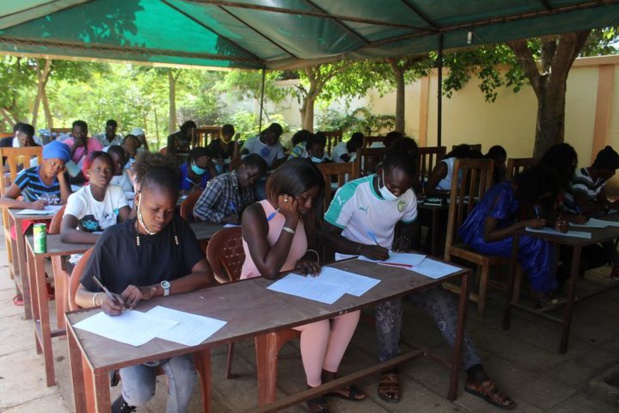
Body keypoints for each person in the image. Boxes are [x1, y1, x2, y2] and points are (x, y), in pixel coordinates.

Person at [322, 150, 515, 409]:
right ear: (380, 172)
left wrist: (406, 238)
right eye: (392, 186)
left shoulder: (408, 195)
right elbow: (326, 234)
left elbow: (411, 224)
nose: (398, 193)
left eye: (403, 188)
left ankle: (475, 372)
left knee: (441, 297)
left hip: (389, 262)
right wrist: (361, 249)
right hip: (353, 264)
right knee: (390, 301)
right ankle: (389, 366)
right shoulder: (352, 193)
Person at [75, 152, 215, 413]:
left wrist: (155, 289)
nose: (162, 218)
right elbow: (80, 294)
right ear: (138, 199)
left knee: (185, 375)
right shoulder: (114, 238)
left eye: (169, 211)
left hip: (172, 326)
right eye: (155, 209)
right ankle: (127, 402)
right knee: (140, 392)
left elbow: (204, 275)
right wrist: (102, 299)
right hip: (130, 332)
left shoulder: (178, 229)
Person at [241, 159, 366, 413]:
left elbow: (311, 246)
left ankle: (329, 377)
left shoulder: (304, 214)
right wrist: (289, 220)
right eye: (305, 198)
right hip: (260, 294)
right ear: (285, 191)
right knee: (317, 322)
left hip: (295, 287)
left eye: (313, 199)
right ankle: (314, 388)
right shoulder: (255, 214)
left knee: (351, 309)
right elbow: (269, 269)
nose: (309, 206)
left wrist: (310, 255)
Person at [459, 164, 563, 305]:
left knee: (543, 240)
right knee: (536, 243)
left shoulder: (517, 191)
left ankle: (542, 287)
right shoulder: (504, 194)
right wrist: (522, 224)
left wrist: (552, 223)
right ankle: (540, 290)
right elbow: (488, 236)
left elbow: (537, 215)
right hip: (479, 238)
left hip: (497, 233)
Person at [570, 145, 619, 280]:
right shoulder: (582, 178)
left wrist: (611, 205)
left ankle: (617, 265)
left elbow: (603, 202)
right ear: (602, 167)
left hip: (591, 215)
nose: (613, 174)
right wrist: (606, 205)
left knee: (611, 225)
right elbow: (582, 208)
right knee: (607, 231)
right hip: (574, 216)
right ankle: (617, 265)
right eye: (612, 170)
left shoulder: (600, 179)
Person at [60, 151, 131, 244]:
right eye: (98, 169)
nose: (103, 174)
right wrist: (107, 239)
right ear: (87, 172)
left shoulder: (117, 192)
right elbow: (65, 233)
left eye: (108, 170)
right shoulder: (79, 198)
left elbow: (130, 225)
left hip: (113, 250)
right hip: (85, 253)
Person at [193, 154, 266, 224]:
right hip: (213, 229)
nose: (252, 180)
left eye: (256, 179)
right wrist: (224, 218)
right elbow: (198, 210)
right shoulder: (221, 182)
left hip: (234, 229)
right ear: (242, 167)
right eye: (251, 175)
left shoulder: (249, 186)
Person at [0, 140, 72, 210]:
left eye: (61, 166)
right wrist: (30, 205)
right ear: (44, 160)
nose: (56, 169)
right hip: (31, 219)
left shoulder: (62, 175)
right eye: (53, 163)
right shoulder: (28, 175)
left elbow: (69, 204)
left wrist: (61, 178)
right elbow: (2, 201)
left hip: (54, 219)